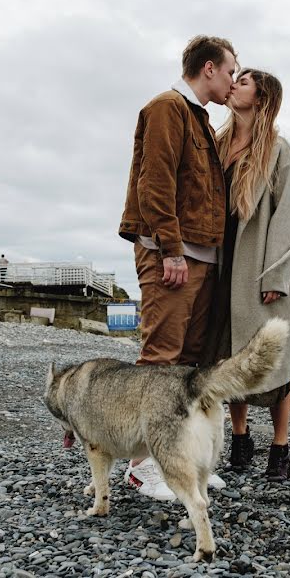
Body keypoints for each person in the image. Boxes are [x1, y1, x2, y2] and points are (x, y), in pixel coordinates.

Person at [117, 35, 238, 501]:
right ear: (209, 68)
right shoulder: (168, 106)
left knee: (187, 364)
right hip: (174, 254)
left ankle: (177, 460)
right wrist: (170, 249)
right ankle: (141, 467)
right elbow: (156, 180)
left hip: (200, 257)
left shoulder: (199, 118)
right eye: (231, 71)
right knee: (160, 360)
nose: (233, 80)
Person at [204, 68, 290, 482]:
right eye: (235, 78)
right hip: (221, 262)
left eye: (243, 82)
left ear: (260, 98)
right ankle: (241, 438)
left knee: (275, 357)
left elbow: (286, 212)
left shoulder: (278, 149)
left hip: (261, 265)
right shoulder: (217, 143)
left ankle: (280, 446)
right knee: (231, 353)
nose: (234, 84)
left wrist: (275, 275)